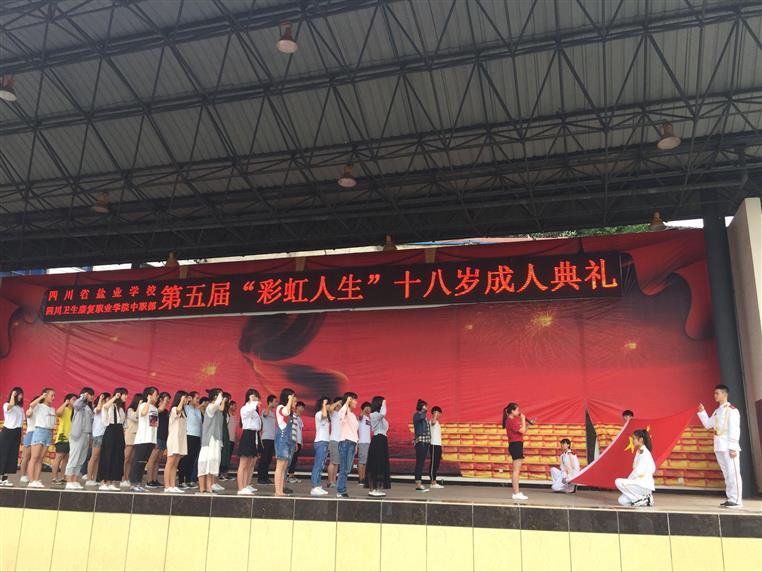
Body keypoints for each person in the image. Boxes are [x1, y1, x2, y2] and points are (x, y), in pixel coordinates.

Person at [698, 384, 743, 508]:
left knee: (733, 473)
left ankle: (737, 500)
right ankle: (730, 498)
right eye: (715, 393)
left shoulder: (732, 410)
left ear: (724, 394)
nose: (715, 395)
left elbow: (735, 429)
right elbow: (708, 424)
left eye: (717, 393)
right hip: (719, 446)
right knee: (727, 474)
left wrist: (733, 447)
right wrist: (702, 412)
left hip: (729, 447)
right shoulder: (717, 411)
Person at [128, 387, 159, 492]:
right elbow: (143, 413)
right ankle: (133, 484)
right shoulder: (143, 405)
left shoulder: (154, 408)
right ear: (149, 395)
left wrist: (154, 440)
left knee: (143, 463)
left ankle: (138, 483)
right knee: (138, 462)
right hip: (142, 439)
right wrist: (148, 401)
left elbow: (154, 425)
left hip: (151, 439)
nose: (157, 397)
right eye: (156, 394)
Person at [97, 388, 128, 491]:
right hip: (110, 430)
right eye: (124, 394)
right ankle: (103, 482)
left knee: (117, 457)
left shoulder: (121, 408)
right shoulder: (111, 405)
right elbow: (104, 407)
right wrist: (115, 397)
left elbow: (124, 423)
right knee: (107, 456)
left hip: (119, 431)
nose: (126, 397)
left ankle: (111, 482)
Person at [615, 429, 656, 507]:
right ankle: (644, 499)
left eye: (634, 439)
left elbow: (638, 471)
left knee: (618, 482)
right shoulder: (639, 452)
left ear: (641, 440)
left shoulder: (644, 453)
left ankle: (642, 499)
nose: (632, 441)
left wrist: (628, 481)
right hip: (639, 484)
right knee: (622, 500)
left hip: (643, 485)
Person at [25, 388, 57, 488]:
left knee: (40, 459)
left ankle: (36, 479)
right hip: (39, 431)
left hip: (48, 432)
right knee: (34, 457)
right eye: (51, 395)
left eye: (54, 395)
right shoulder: (39, 406)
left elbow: (53, 423)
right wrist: (42, 397)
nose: (53, 397)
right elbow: (31, 405)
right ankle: (31, 481)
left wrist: (51, 435)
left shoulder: (52, 409)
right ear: (45, 395)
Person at [64, 388, 95, 490]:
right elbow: (76, 404)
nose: (92, 397)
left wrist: (91, 437)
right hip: (78, 435)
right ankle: (69, 481)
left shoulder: (88, 407)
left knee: (81, 460)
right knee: (74, 458)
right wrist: (83, 396)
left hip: (86, 435)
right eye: (90, 394)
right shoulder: (79, 405)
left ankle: (75, 480)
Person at [198, 389, 226, 494]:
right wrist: (221, 397)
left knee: (212, 464)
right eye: (220, 396)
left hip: (215, 440)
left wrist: (222, 400)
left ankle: (209, 487)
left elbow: (221, 408)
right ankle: (202, 488)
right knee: (204, 463)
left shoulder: (217, 409)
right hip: (209, 440)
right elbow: (218, 405)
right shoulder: (210, 407)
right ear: (215, 397)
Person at [237, 389, 262, 495]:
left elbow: (258, 425)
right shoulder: (245, 408)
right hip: (247, 434)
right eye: (253, 397)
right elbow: (250, 409)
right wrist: (253, 402)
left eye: (256, 397)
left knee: (248, 463)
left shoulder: (255, 411)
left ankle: (245, 485)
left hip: (254, 435)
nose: (256, 399)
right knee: (243, 463)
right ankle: (241, 488)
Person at [165, 390, 190, 493]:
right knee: (170, 462)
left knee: (175, 464)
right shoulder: (174, 409)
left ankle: (172, 485)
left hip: (180, 440)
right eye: (185, 398)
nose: (187, 400)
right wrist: (182, 400)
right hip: (173, 439)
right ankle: (167, 486)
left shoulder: (183, 412)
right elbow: (178, 409)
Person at [502, 402, 528, 501]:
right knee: (516, 470)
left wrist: (527, 425)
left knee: (517, 470)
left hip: (517, 444)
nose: (518, 412)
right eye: (517, 410)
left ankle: (517, 492)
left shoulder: (512, 420)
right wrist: (523, 419)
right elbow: (522, 431)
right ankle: (516, 493)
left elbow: (523, 431)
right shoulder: (510, 420)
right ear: (512, 411)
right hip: (515, 445)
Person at [274, 388, 297, 497]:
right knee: (280, 466)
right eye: (293, 397)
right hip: (282, 439)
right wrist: (290, 399)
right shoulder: (280, 407)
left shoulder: (291, 411)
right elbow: (286, 412)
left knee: (284, 467)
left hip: (288, 440)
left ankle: (281, 490)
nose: (294, 399)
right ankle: (277, 491)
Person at [366, 396, 390, 497]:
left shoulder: (380, 417)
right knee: (375, 464)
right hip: (378, 440)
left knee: (380, 464)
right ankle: (372, 489)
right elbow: (383, 413)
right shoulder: (374, 415)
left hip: (383, 440)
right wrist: (384, 403)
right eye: (383, 402)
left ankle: (376, 488)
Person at [145, 391, 170, 488]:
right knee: (152, 459)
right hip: (156, 437)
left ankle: (155, 480)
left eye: (168, 400)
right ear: (160, 399)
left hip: (163, 437)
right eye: (166, 399)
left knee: (158, 460)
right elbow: (152, 423)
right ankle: (149, 481)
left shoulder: (166, 411)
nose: (167, 402)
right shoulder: (155, 409)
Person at [336, 392, 359, 499]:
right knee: (344, 468)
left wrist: (356, 444)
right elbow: (342, 413)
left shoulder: (353, 415)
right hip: (345, 442)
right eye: (354, 400)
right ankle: (340, 490)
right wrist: (346, 402)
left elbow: (354, 431)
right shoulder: (344, 411)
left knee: (347, 469)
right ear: (349, 400)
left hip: (352, 443)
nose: (356, 402)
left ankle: (342, 489)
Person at [0, 388, 24, 486]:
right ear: (14, 395)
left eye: (21, 394)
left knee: (12, 455)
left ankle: (5, 479)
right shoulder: (6, 405)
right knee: (3, 454)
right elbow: (11, 405)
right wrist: (13, 395)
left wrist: (21, 436)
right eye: (19, 394)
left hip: (17, 432)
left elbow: (20, 423)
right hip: (7, 432)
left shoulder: (20, 408)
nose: (21, 396)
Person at [178, 391, 202, 488]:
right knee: (185, 459)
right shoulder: (186, 408)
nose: (198, 400)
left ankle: (188, 480)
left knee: (192, 459)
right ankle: (181, 481)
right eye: (196, 398)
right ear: (190, 398)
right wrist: (187, 400)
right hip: (188, 436)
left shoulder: (198, 410)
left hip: (197, 437)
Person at [86, 392, 109, 486]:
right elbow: (98, 409)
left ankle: (96, 478)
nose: (108, 400)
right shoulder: (96, 408)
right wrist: (100, 399)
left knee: (99, 458)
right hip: (98, 435)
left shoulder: (107, 409)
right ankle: (89, 479)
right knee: (94, 457)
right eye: (107, 399)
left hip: (105, 434)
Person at [52, 394, 76, 484]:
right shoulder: (64, 409)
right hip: (63, 437)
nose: (75, 401)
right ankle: (54, 478)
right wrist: (65, 403)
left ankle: (63, 477)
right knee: (59, 457)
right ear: (68, 400)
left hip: (72, 438)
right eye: (73, 399)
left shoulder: (75, 411)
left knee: (66, 459)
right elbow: (58, 413)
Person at [310, 397, 331, 496]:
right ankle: (314, 487)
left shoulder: (326, 416)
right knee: (318, 465)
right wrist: (324, 404)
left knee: (321, 465)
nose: (329, 406)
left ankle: (318, 485)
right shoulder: (319, 414)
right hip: (320, 442)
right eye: (328, 404)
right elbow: (324, 415)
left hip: (325, 442)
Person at [121, 394, 141, 488]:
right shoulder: (130, 410)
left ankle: (127, 477)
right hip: (130, 435)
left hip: (137, 435)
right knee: (126, 458)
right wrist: (139, 406)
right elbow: (135, 417)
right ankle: (123, 478)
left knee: (131, 459)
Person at [257, 394, 277, 485]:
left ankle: (266, 477)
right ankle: (260, 478)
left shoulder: (273, 413)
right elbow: (265, 415)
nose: (276, 403)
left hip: (272, 438)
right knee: (264, 459)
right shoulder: (265, 411)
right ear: (270, 402)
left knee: (268, 459)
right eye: (275, 402)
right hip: (265, 438)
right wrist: (269, 406)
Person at [412, 399, 430, 493]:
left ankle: (419, 483)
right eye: (425, 406)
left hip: (425, 441)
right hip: (421, 441)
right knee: (419, 463)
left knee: (421, 463)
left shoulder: (423, 415)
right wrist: (424, 410)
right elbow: (421, 418)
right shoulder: (417, 415)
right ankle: (418, 484)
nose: (426, 408)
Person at [327, 396, 344, 488]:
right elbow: (330, 408)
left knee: (337, 463)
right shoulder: (333, 413)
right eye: (339, 404)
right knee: (332, 462)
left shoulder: (341, 414)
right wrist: (338, 402)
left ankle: (334, 480)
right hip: (334, 440)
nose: (341, 405)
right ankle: (330, 481)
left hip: (340, 440)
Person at [287, 401, 305, 484]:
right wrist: (294, 441)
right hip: (293, 441)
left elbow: (300, 430)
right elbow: (291, 430)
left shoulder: (300, 419)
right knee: (291, 459)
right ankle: (288, 476)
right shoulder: (292, 416)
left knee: (294, 459)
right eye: (301, 407)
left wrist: (301, 441)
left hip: (298, 441)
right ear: (297, 407)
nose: (302, 409)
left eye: (303, 408)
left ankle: (292, 475)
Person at [220, 400, 237, 480]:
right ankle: (221, 474)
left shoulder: (234, 416)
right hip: (226, 439)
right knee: (224, 457)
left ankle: (225, 473)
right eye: (234, 405)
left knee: (228, 458)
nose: (235, 407)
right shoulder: (227, 415)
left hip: (232, 439)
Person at [428, 405, 444, 489]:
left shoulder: (437, 423)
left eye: (439, 413)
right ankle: (432, 482)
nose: (439, 415)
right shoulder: (432, 421)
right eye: (438, 413)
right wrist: (435, 414)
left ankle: (434, 481)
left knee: (437, 464)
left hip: (438, 445)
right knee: (433, 464)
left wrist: (441, 445)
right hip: (434, 445)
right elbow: (433, 422)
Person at [357, 402, 371, 487]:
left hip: (368, 442)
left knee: (366, 461)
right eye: (367, 407)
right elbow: (360, 416)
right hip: (362, 442)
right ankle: (360, 479)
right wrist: (363, 410)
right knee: (362, 461)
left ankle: (364, 477)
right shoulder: (361, 417)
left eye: (370, 408)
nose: (369, 409)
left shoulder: (368, 418)